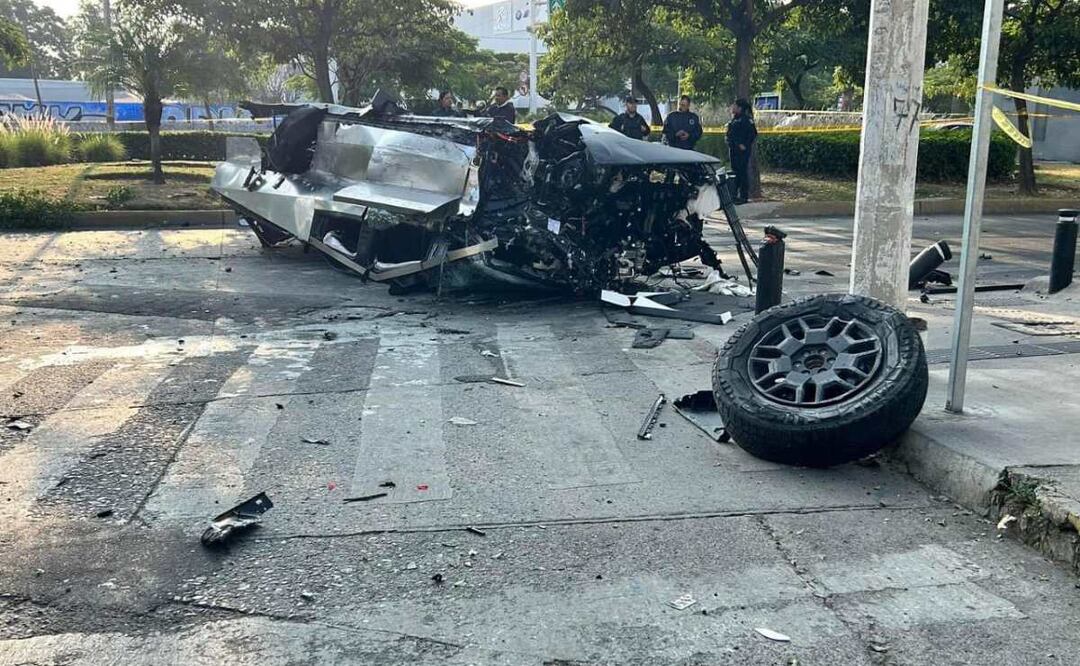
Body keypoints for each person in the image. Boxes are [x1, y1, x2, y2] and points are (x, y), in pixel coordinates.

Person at [726, 98, 758, 204]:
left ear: (740, 108)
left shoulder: (746, 120)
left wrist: (743, 144)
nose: (732, 107)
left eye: (734, 106)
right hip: (733, 150)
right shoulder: (733, 120)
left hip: (742, 151)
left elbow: (752, 134)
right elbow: (730, 135)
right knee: (735, 172)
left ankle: (743, 196)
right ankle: (734, 195)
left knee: (742, 172)